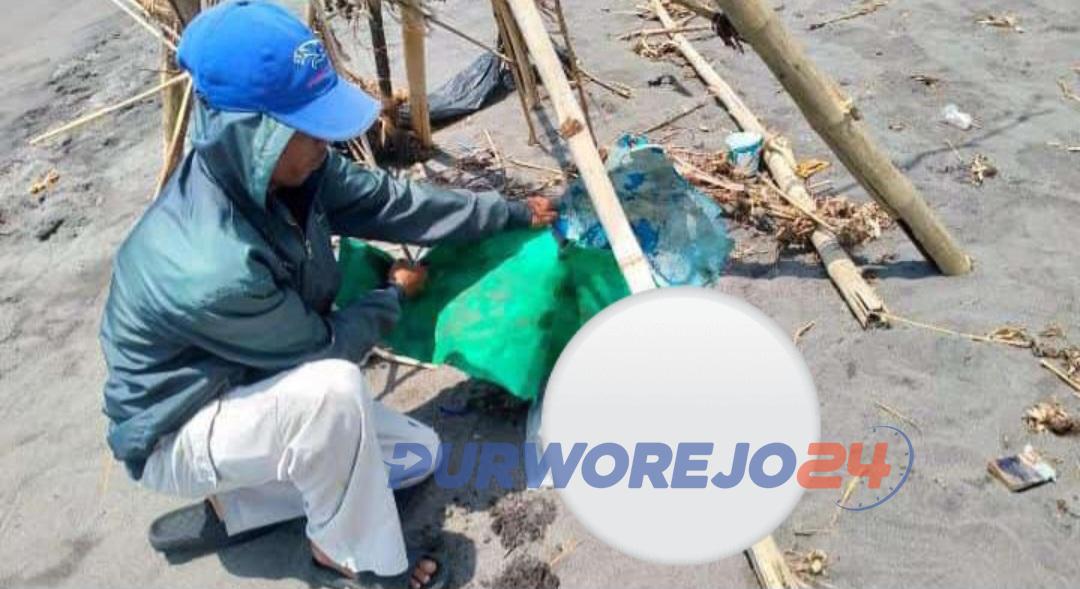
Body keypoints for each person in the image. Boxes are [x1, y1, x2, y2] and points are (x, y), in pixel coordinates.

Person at [98, 2, 556, 588]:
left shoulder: (293, 170)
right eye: (304, 124)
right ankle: (355, 559)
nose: (323, 138)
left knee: (417, 456)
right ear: (250, 134)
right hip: (178, 426)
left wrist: (509, 214)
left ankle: (236, 508)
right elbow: (324, 351)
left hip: (246, 385)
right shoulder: (211, 262)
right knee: (333, 394)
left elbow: (394, 203)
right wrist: (392, 294)